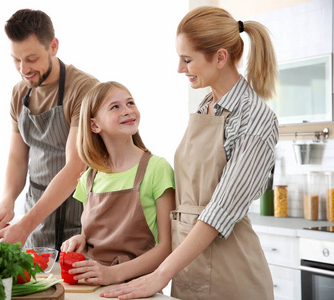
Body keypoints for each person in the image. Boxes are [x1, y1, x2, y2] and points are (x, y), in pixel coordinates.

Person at [101, 6, 278, 300]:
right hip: (187, 271)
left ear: (220, 57)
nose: (180, 68)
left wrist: (159, 275)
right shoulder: (206, 105)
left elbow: (220, 211)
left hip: (230, 275)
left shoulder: (254, 119)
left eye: (187, 59)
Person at [0, 9, 99, 251]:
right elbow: (18, 159)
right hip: (36, 214)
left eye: (31, 59)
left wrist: (25, 225)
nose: (23, 69)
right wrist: (7, 202)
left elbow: (75, 168)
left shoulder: (84, 89)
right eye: (16, 60)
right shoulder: (20, 93)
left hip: (79, 216)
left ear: (54, 46)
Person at [60, 81, 175, 285]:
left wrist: (113, 274)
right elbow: (89, 236)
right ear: (94, 125)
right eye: (115, 107)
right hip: (93, 285)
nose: (127, 111)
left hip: (139, 287)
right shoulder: (89, 178)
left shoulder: (157, 169)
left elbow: (166, 247)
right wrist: (80, 240)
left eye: (130, 103)